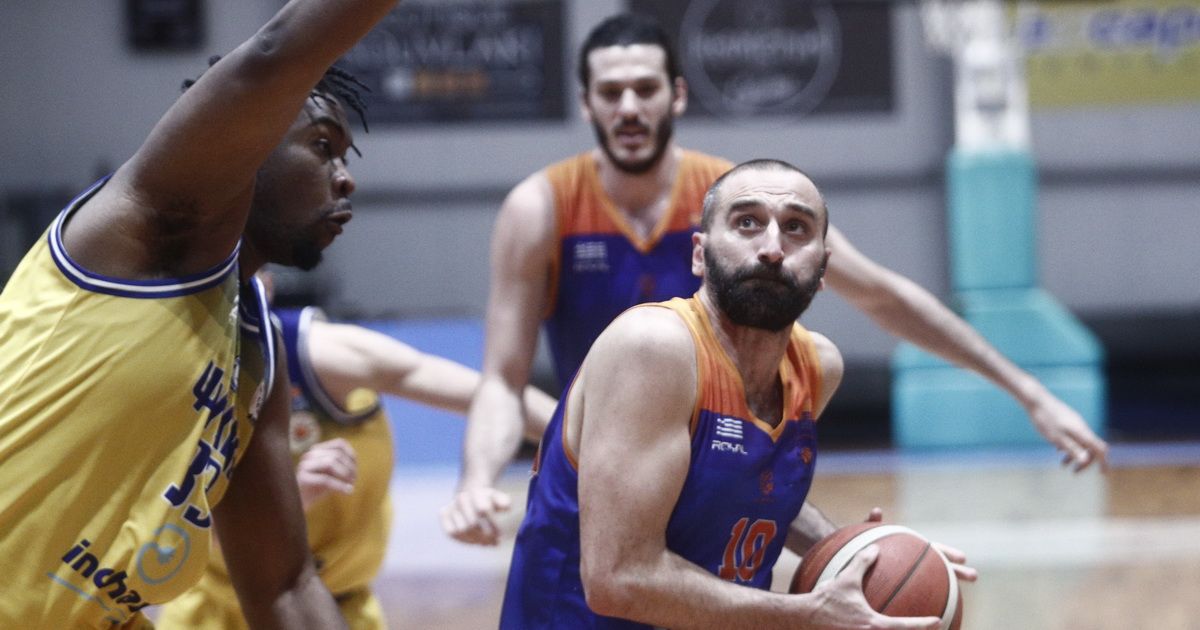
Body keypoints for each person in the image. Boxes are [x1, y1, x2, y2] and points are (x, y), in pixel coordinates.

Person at [445, 12, 1108, 545]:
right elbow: (502, 381)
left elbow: (880, 295)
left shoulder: (739, 201)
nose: (629, 107)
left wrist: (1029, 392)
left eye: (645, 89)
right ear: (586, 103)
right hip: (596, 489)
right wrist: (477, 479)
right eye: (610, 92)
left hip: (718, 479)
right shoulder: (542, 208)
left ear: (677, 94)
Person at [0, 1, 399, 627]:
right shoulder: (144, 232)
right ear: (248, 140)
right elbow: (274, 56)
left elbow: (285, 586)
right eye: (323, 147)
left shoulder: (256, 351)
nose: (345, 180)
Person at [500, 159, 969, 629]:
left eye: (796, 228)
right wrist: (806, 616)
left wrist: (863, 553)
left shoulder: (816, 367)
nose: (771, 248)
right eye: (747, 223)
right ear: (699, 255)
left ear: (823, 268)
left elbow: (740, 491)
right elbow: (618, 579)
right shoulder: (654, 348)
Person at [157, 283, 556, 629]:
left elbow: (496, 395)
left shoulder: (319, 354)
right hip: (211, 613)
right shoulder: (166, 377)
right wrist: (284, 502)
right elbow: (170, 532)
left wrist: (576, 444)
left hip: (337, 606)